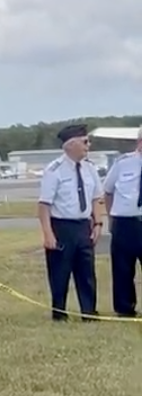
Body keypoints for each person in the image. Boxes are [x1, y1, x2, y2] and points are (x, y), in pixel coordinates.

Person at [37, 123, 106, 321]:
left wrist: (98, 223)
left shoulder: (90, 168)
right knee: (60, 271)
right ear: (70, 144)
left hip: (84, 225)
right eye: (84, 142)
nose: (88, 145)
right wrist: (48, 234)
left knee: (86, 271)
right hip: (62, 226)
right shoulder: (54, 170)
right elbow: (44, 205)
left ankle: (89, 312)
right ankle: (59, 312)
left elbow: (95, 197)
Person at [102, 126, 141, 318]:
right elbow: (108, 191)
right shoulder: (123, 163)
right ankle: (125, 308)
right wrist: (111, 217)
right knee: (123, 269)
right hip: (125, 223)